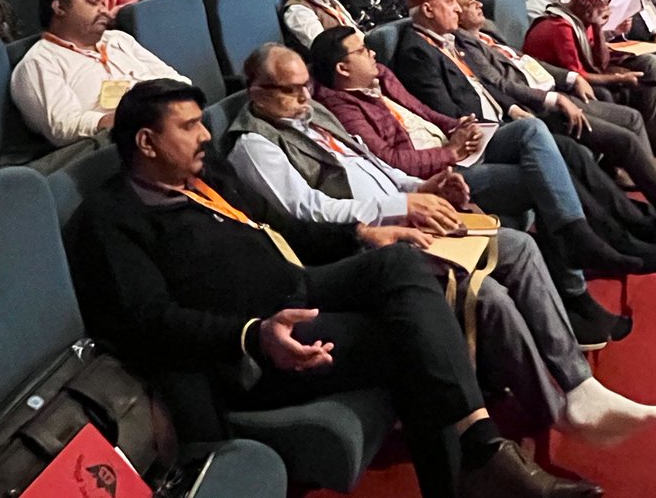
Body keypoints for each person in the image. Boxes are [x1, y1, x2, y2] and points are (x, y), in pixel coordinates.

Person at [68, 79, 602, 498]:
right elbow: (148, 318)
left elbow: (283, 229)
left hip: (299, 283)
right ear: (146, 142)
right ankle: (471, 469)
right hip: (252, 346)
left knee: (397, 261)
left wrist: (363, 232)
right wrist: (254, 335)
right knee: (406, 340)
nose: (206, 135)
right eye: (187, 127)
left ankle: (480, 447)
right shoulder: (112, 217)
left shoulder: (207, 178)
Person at [225, 43, 656, 439]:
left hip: (403, 210)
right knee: (485, 292)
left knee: (518, 245)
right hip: (368, 241)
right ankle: (555, 410)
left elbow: (373, 165)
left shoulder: (310, 112)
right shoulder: (253, 144)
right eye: (290, 91)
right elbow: (308, 210)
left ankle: (580, 384)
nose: (304, 99)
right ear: (256, 89)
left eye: (306, 87)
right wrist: (401, 207)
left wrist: (423, 186)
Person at [452, 0, 656, 238]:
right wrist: (555, 96)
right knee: (625, 139)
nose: (478, 3)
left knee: (631, 118)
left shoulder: (488, 31)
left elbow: (525, 60)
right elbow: (501, 83)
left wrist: (569, 78)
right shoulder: (464, 45)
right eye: (466, 4)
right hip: (542, 108)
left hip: (559, 90)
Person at [523, 0, 656, 156]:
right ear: (585, 6)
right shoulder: (561, 27)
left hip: (585, 71)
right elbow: (577, 74)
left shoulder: (584, 18)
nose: (605, 10)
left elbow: (600, 62)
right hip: (558, 81)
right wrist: (618, 79)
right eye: (600, 8)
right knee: (650, 69)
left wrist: (598, 27)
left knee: (654, 60)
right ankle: (654, 139)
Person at [10, 0, 190, 147]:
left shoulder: (118, 39)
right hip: (118, 145)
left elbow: (174, 78)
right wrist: (130, 116)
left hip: (169, 117)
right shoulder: (39, 63)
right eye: (93, 2)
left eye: (104, 3)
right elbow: (62, 127)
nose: (104, 10)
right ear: (59, 8)